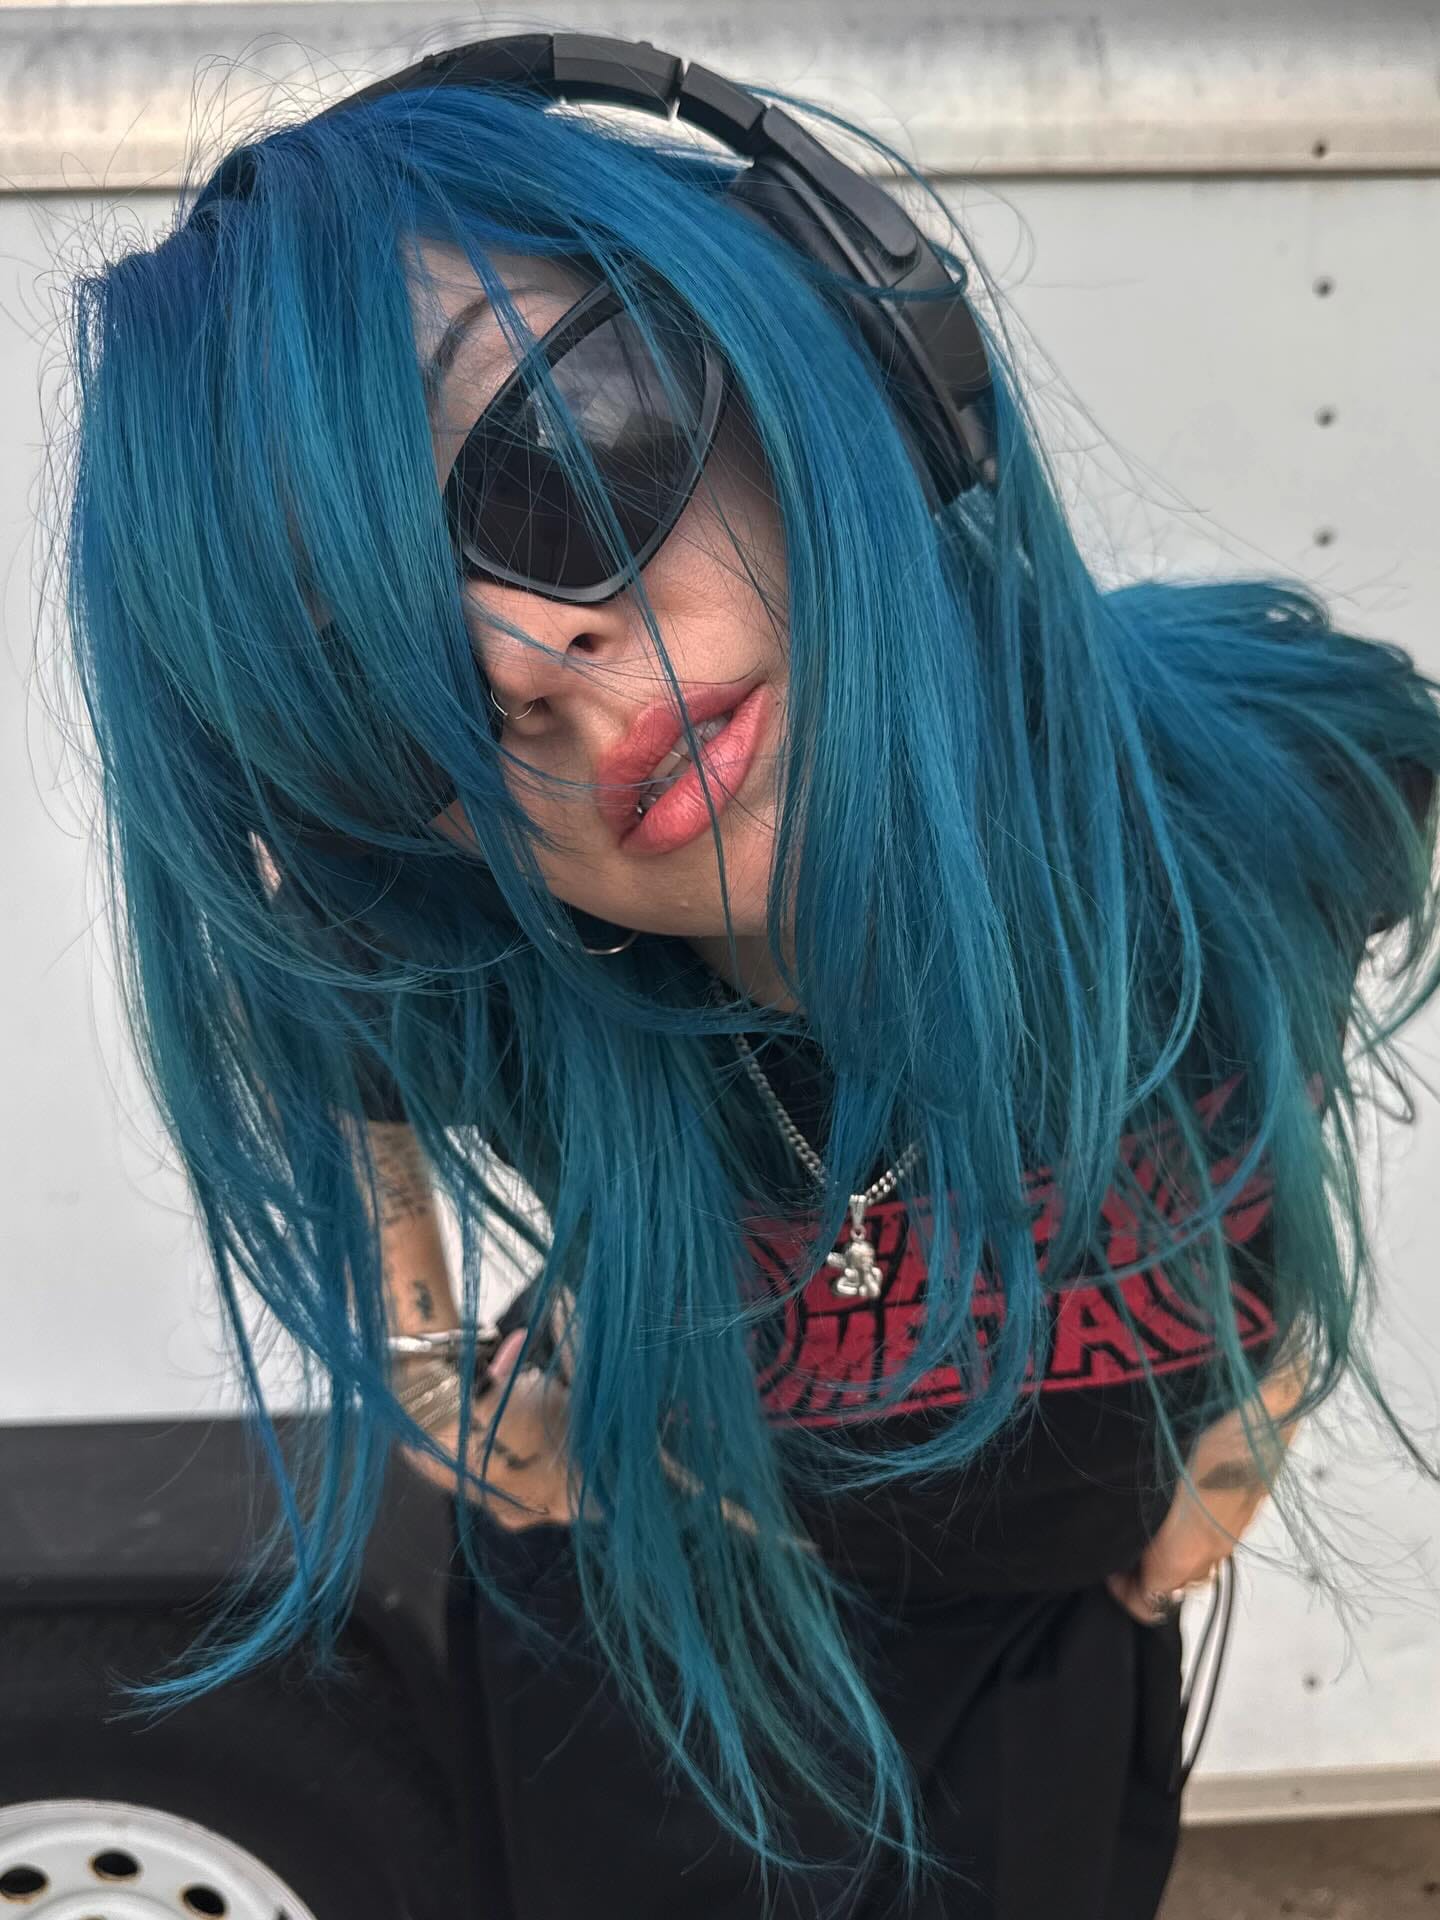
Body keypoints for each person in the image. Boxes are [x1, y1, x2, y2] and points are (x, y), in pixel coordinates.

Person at [49, 31, 1440, 1919]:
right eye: (375, 683)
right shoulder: (505, 971)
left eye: (568, 448)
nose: (526, 660)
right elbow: (315, 1004)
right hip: (667, 1668)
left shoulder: (1263, 773)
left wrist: (1263, 1402)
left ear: (859, 352)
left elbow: (1312, 972)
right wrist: (433, 1361)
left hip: (1056, 1644)